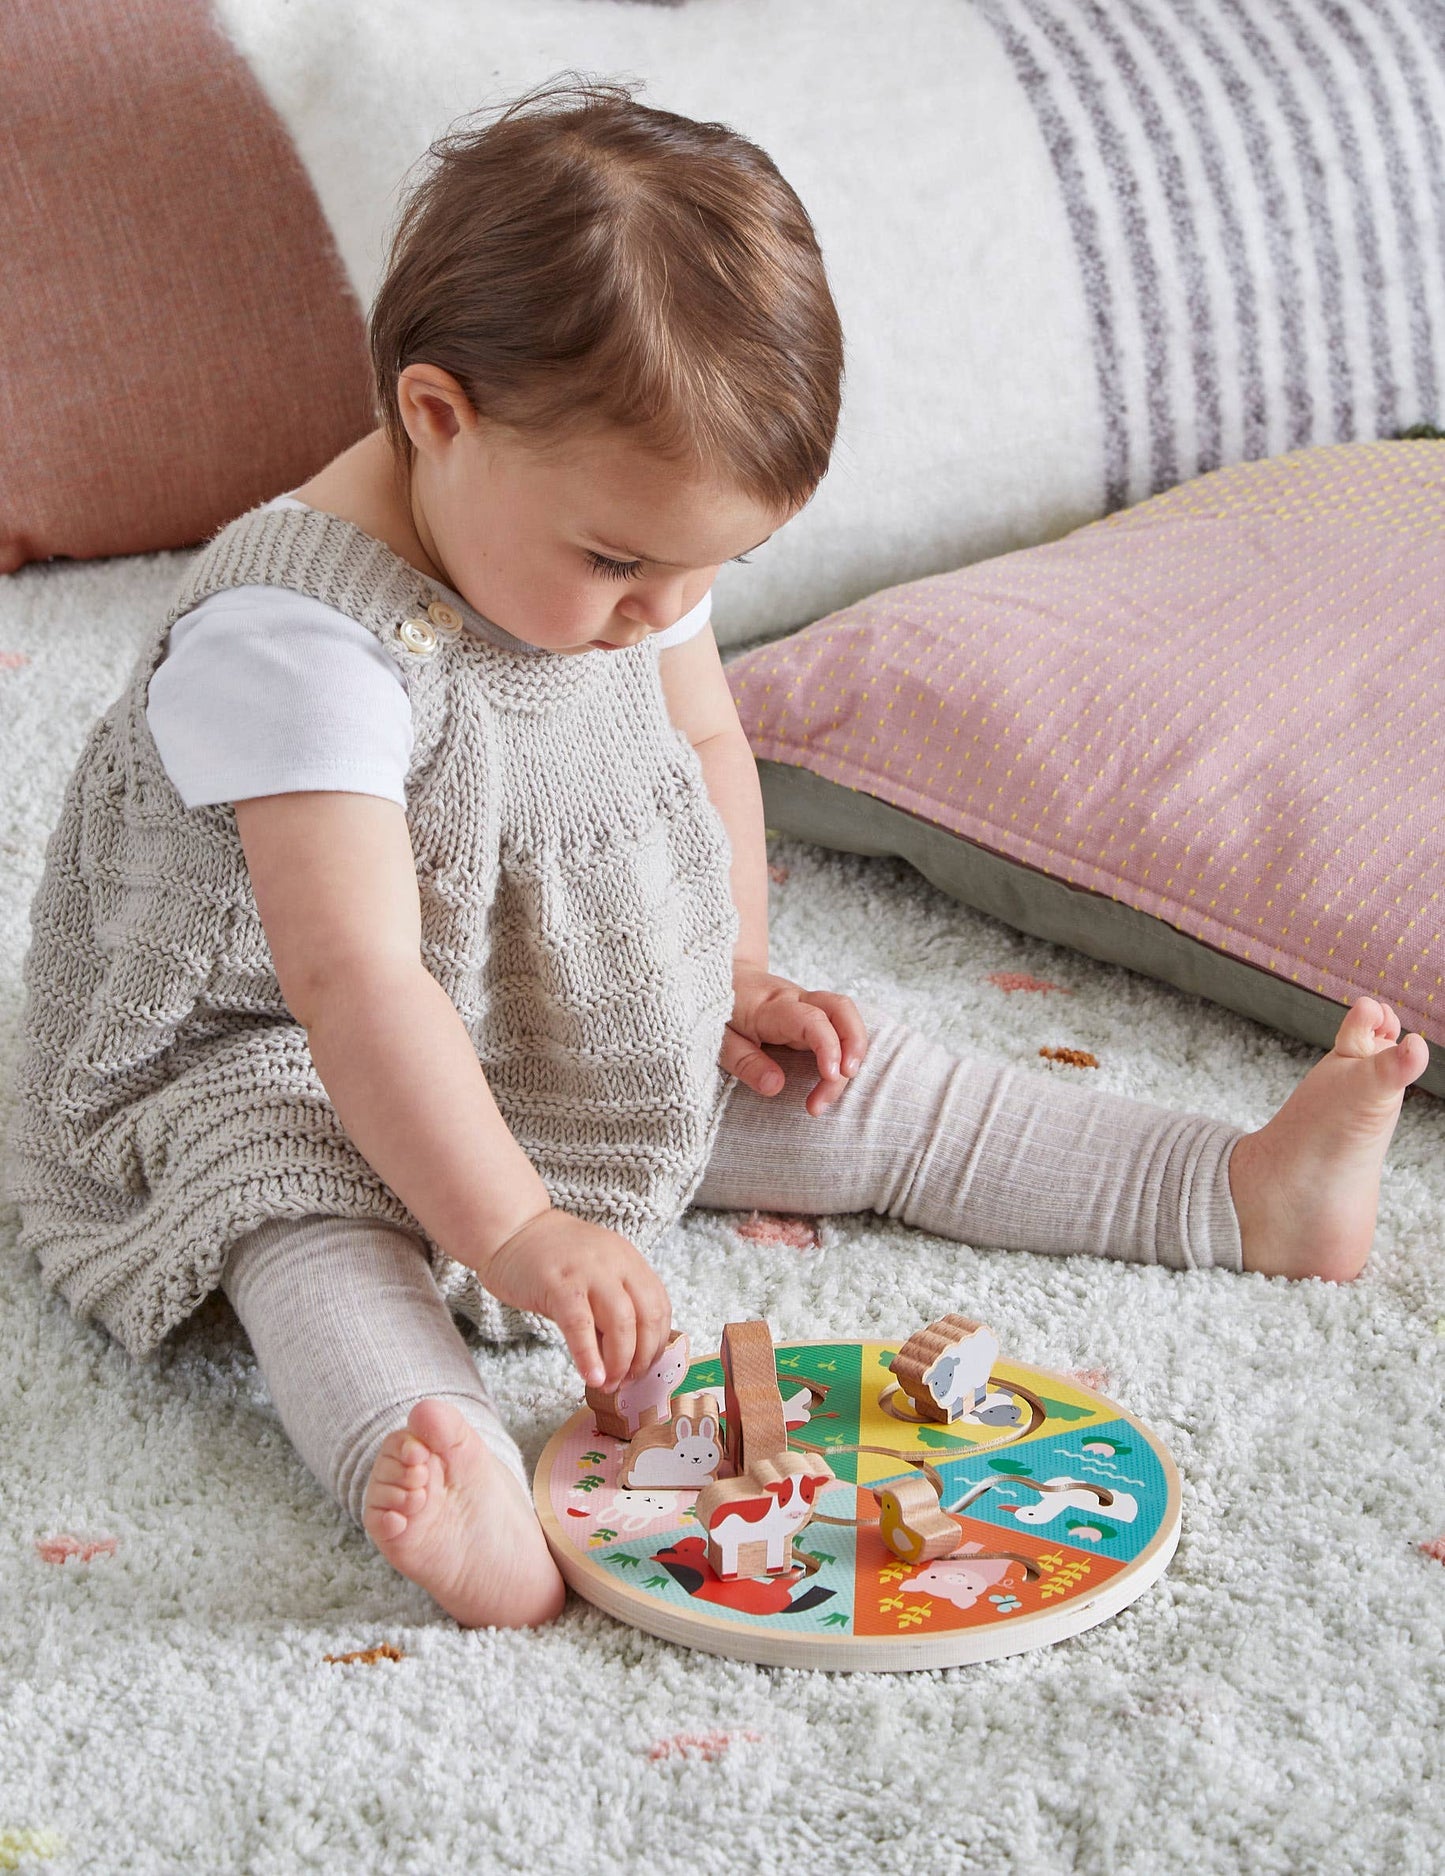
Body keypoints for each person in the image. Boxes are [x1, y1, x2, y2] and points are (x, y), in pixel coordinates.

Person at [4, 77, 1427, 1634]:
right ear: (435, 418)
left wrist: (731, 972)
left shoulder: (621, 544)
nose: (655, 608)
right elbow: (354, 983)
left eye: (706, 569)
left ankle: (1228, 1189)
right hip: (268, 1053)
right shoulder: (297, 646)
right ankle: (448, 1468)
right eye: (620, 563)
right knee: (309, 1229)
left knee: (841, 1089)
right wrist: (518, 1230)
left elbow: (701, 748)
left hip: (507, 996)